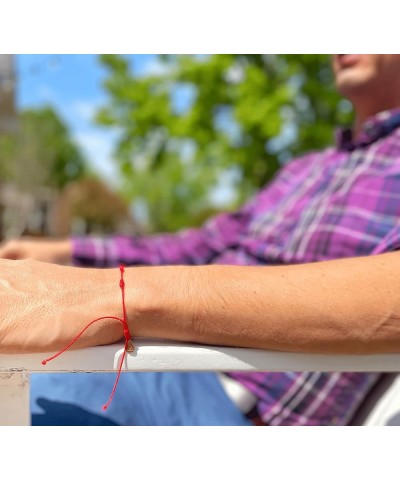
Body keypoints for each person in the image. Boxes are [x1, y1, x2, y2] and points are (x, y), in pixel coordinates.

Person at [1, 54, 400, 426]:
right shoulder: (303, 170)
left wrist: (114, 296)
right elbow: (193, 245)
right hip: (167, 362)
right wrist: (64, 250)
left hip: (238, 410)